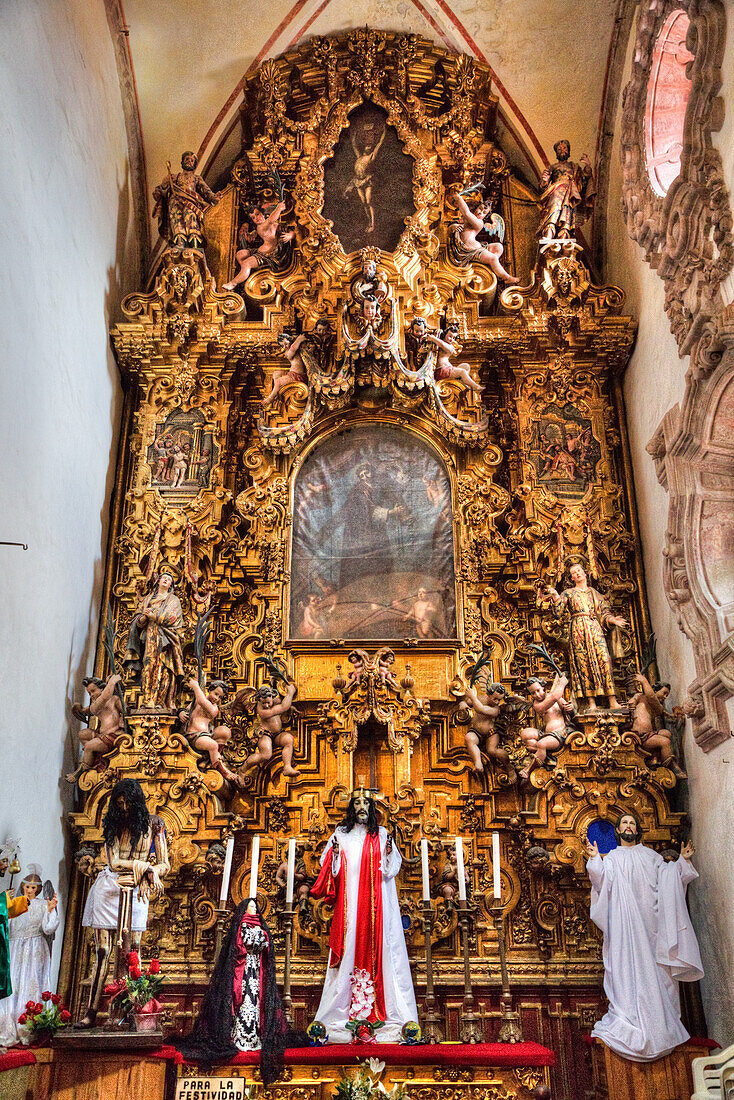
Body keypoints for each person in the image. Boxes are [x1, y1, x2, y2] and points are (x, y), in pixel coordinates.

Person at [585, 812, 703, 1061]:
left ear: (638, 830)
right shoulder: (613, 858)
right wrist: (595, 860)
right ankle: (630, 1019)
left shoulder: (652, 858)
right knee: (623, 972)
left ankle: (661, 1026)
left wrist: (681, 863)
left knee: (659, 973)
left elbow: (670, 881)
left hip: (652, 929)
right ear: (618, 831)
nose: (628, 826)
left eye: (632, 823)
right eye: (624, 823)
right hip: (623, 930)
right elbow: (600, 883)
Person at [310, 790, 418, 1043]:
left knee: (382, 952)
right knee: (349, 951)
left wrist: (389, 852)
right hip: (350, 905)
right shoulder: (340, 834)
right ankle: (344, 1015)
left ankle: (382, 1016)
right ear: (351, 808)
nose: (361, 807)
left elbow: (392, 868)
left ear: (371, 808)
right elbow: (329, 867)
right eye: (357, 803)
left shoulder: (381, 835)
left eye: (365, 803)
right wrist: (335, 854)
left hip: (378, 907)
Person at [175, 898, 303, 1083]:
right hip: (243, 972)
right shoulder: (242, 927)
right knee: (243, 1002)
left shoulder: (260, 928)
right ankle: (239, 1037)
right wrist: (257, 942)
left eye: (255, 906)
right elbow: (244, 946)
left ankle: (254, 1037)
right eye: (250, 906)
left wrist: (259, 942)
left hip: (257, 971)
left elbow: (265, 946)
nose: (253, 909)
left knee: (256, 1002)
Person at [77, 779, 169, 1028]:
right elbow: (114, 862)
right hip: (109, 888)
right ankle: (91, 1011)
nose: (125, 809)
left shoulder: (155, 825)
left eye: (128, 804)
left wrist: (151, 870)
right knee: (103, 952)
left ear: (137, 802)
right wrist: (146, 868)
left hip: (137, 890)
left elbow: (165, 865)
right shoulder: (113, 826)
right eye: (120, 805)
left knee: (133, 954)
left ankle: (130, 1013)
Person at [545, 563, 627, 711]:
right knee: (584, 664)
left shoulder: (594, 593)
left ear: (585, 572)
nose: (577, 574)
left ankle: (612, 699)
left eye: (579, 571)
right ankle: (591, 703)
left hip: (595, 628)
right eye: (574, 573)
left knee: (604, 660)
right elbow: (558, 612)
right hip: (578, 630)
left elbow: (604, 612)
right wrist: (555, 595)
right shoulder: (568, 593)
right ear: (571, 578)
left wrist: (613, 620)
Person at [0, 869, 59, 1046]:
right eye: (27, 886)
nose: (29, 890)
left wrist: (50, 910)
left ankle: (28, 1029)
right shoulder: (16, 903)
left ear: (38, 889)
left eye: (33, 887)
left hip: (35, 950)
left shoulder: (42, 905)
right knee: (14, 984)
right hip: (15, 948)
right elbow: (5, 924)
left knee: (31, 984)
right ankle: (7, 1028)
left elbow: (48, 928)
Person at [124, 565, 185, 710]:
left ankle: (159, 701)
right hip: (150, 637)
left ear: (171, 585)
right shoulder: (148, 599)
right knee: (148, 665)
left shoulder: (173, 600)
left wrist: (155, 616)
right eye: (164, 578)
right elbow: (138, 619)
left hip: (166, 640)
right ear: (158, 581)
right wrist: (143, 618)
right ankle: (147, 699)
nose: (166, 580)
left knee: (163, 668)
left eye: (169, 579)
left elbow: (173, 618)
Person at [152, 151, 221, 249]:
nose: (189, 161)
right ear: (182, 162)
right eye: (187, 159)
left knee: (192, 223)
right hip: (174, 203)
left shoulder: (196, 178)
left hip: (191, 204)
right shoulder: (173, 178)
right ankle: (180, 245)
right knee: (177, 224)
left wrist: (215, 197)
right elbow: (158, 194)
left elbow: (207, 193)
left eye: (192, 160)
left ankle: (195, 248)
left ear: (195, 165)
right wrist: (164, 184)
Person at [65, 673, 125, 783]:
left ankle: (79, 773)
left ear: (102, 688)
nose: (91, 695)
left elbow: (125, 711)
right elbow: (100, 701)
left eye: (93, 691)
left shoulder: (114, 699)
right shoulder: (96, 705)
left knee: (89, 746)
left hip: (114, 736)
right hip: (102, 734)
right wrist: (78, 709)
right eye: (89, 693)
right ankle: (94, 761)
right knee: (82, 734)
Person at [448, 193, 519, 283]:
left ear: (485, 217)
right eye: (480, 209)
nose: (480, 212)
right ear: (476, 208)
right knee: (496, 251)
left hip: (472, 249)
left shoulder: (479, 223)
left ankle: (502, 274)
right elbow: (449, 233)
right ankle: (495, 267)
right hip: (465, 248)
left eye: (484, 213)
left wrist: (458, 198)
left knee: (497, 250)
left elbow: (466, 212)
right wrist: (453, 227)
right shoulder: (464, 219)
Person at [179, 678, 239, 784]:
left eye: (220, 697)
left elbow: (203, 702)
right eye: (216, 694)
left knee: (225, 731)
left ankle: (216, 760)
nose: (217, 698)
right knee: (213, 745)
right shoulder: (198, 699)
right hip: (193, 736)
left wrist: (196, 686)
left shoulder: (214, 708)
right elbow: (187, 709)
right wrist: (181, 713)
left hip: (206, 734)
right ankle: (223, 771)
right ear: (210, 690)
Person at [223, 202, 294, 290]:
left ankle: (233, 283)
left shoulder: (275, 225)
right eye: (253, 217)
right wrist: (279, 208)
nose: (256, 218)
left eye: (257, 214)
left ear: (262, 214)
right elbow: (270, 220)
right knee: (240, 254)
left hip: (270, 255)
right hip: (261, 252)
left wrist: (290, 235)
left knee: (246, 263)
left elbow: (290, 230)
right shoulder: (260, 227)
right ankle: (245, 274)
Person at [629, 673, 687, 778]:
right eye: (664, 693)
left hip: (647, 734)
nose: (665, 697)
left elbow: (651, 697)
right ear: (656, 690)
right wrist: (633, 701)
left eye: (667, 695)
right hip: (638, 736)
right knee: (665, 742)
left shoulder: (657, 706)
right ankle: (672, 768)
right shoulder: (640, 696)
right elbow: (637, 698)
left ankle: (656, 758)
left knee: (667, 733)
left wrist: (644, 681)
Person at [519, 674, 575, 779]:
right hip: (547, 734)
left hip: (559, 734)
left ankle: (529, 768)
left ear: (543, 688)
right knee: (525, 734)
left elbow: (570, 713)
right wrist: (562, 683)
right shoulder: (537, 704)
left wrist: (570, 709)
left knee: (541, 744)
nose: (536, 695)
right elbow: (554, 697)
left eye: (538, 690)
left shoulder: (557, 698)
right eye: (532, 693)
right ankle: (543, 755)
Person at [538, 140, 596, 240]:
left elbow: (584, 179)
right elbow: (544, 187)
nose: (562, 151)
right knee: (554, 207)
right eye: (559, 149)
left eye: (564, 148)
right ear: (556, 153)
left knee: (567, 209)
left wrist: (587, 167)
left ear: (568, 151)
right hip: (556, 190)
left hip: (570, 191)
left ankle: (564, 232)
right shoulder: (553, 167)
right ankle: (549, 229)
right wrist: (545, 181)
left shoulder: (574, 167)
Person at [242, 682, 299, 779]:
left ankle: (287, 767)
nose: (267, 705)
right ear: (259, 700)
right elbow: (283, 707)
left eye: (268, 702)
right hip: (266, 735)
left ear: (272, 697)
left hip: (278, 734)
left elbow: (283, 703)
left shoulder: (273, 700)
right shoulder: (262, 711)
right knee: (266, 755)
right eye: (263, 703)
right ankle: (243, 769)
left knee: (289, 739)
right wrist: (290, 693)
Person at [464, 681, 516, 780]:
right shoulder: (480, 699)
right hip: (476, 731)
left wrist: (473, 697)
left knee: (492, 751)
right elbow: (466, 702)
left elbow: (481, 709)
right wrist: (463, 705)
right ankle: (478, 763)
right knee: (469, 738)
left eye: (499, 700)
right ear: (488, 694)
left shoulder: (496, 710)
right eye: (495, 698)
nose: (497, 702)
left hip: (491, 734)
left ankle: (509, 766)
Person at [426, 323, 485, 393]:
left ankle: (463, 383)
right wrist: (433, 338)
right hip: (441, 371)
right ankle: (475, 386)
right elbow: (441, 344)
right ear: (445, 335)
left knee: (465, 366)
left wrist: (433, 338)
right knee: (462, 372)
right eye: (450, 336)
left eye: (454, 338)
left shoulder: (450, 347)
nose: (451, 339)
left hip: (446, 369)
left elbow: (442, 344)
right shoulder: (442, 344)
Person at [263, 332, 309, 407]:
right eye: (282, 345)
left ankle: (270, 398)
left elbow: (294, 347)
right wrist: (298, 339)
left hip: (298, 375)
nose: (285, 346)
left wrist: (298, 339)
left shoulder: (293, 349)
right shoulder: (289, 352)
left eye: (286, 343)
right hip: (293, 373)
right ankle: (277, 391)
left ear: (289, 340)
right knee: (276, 373)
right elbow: (293, 348)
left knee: (278, 381)